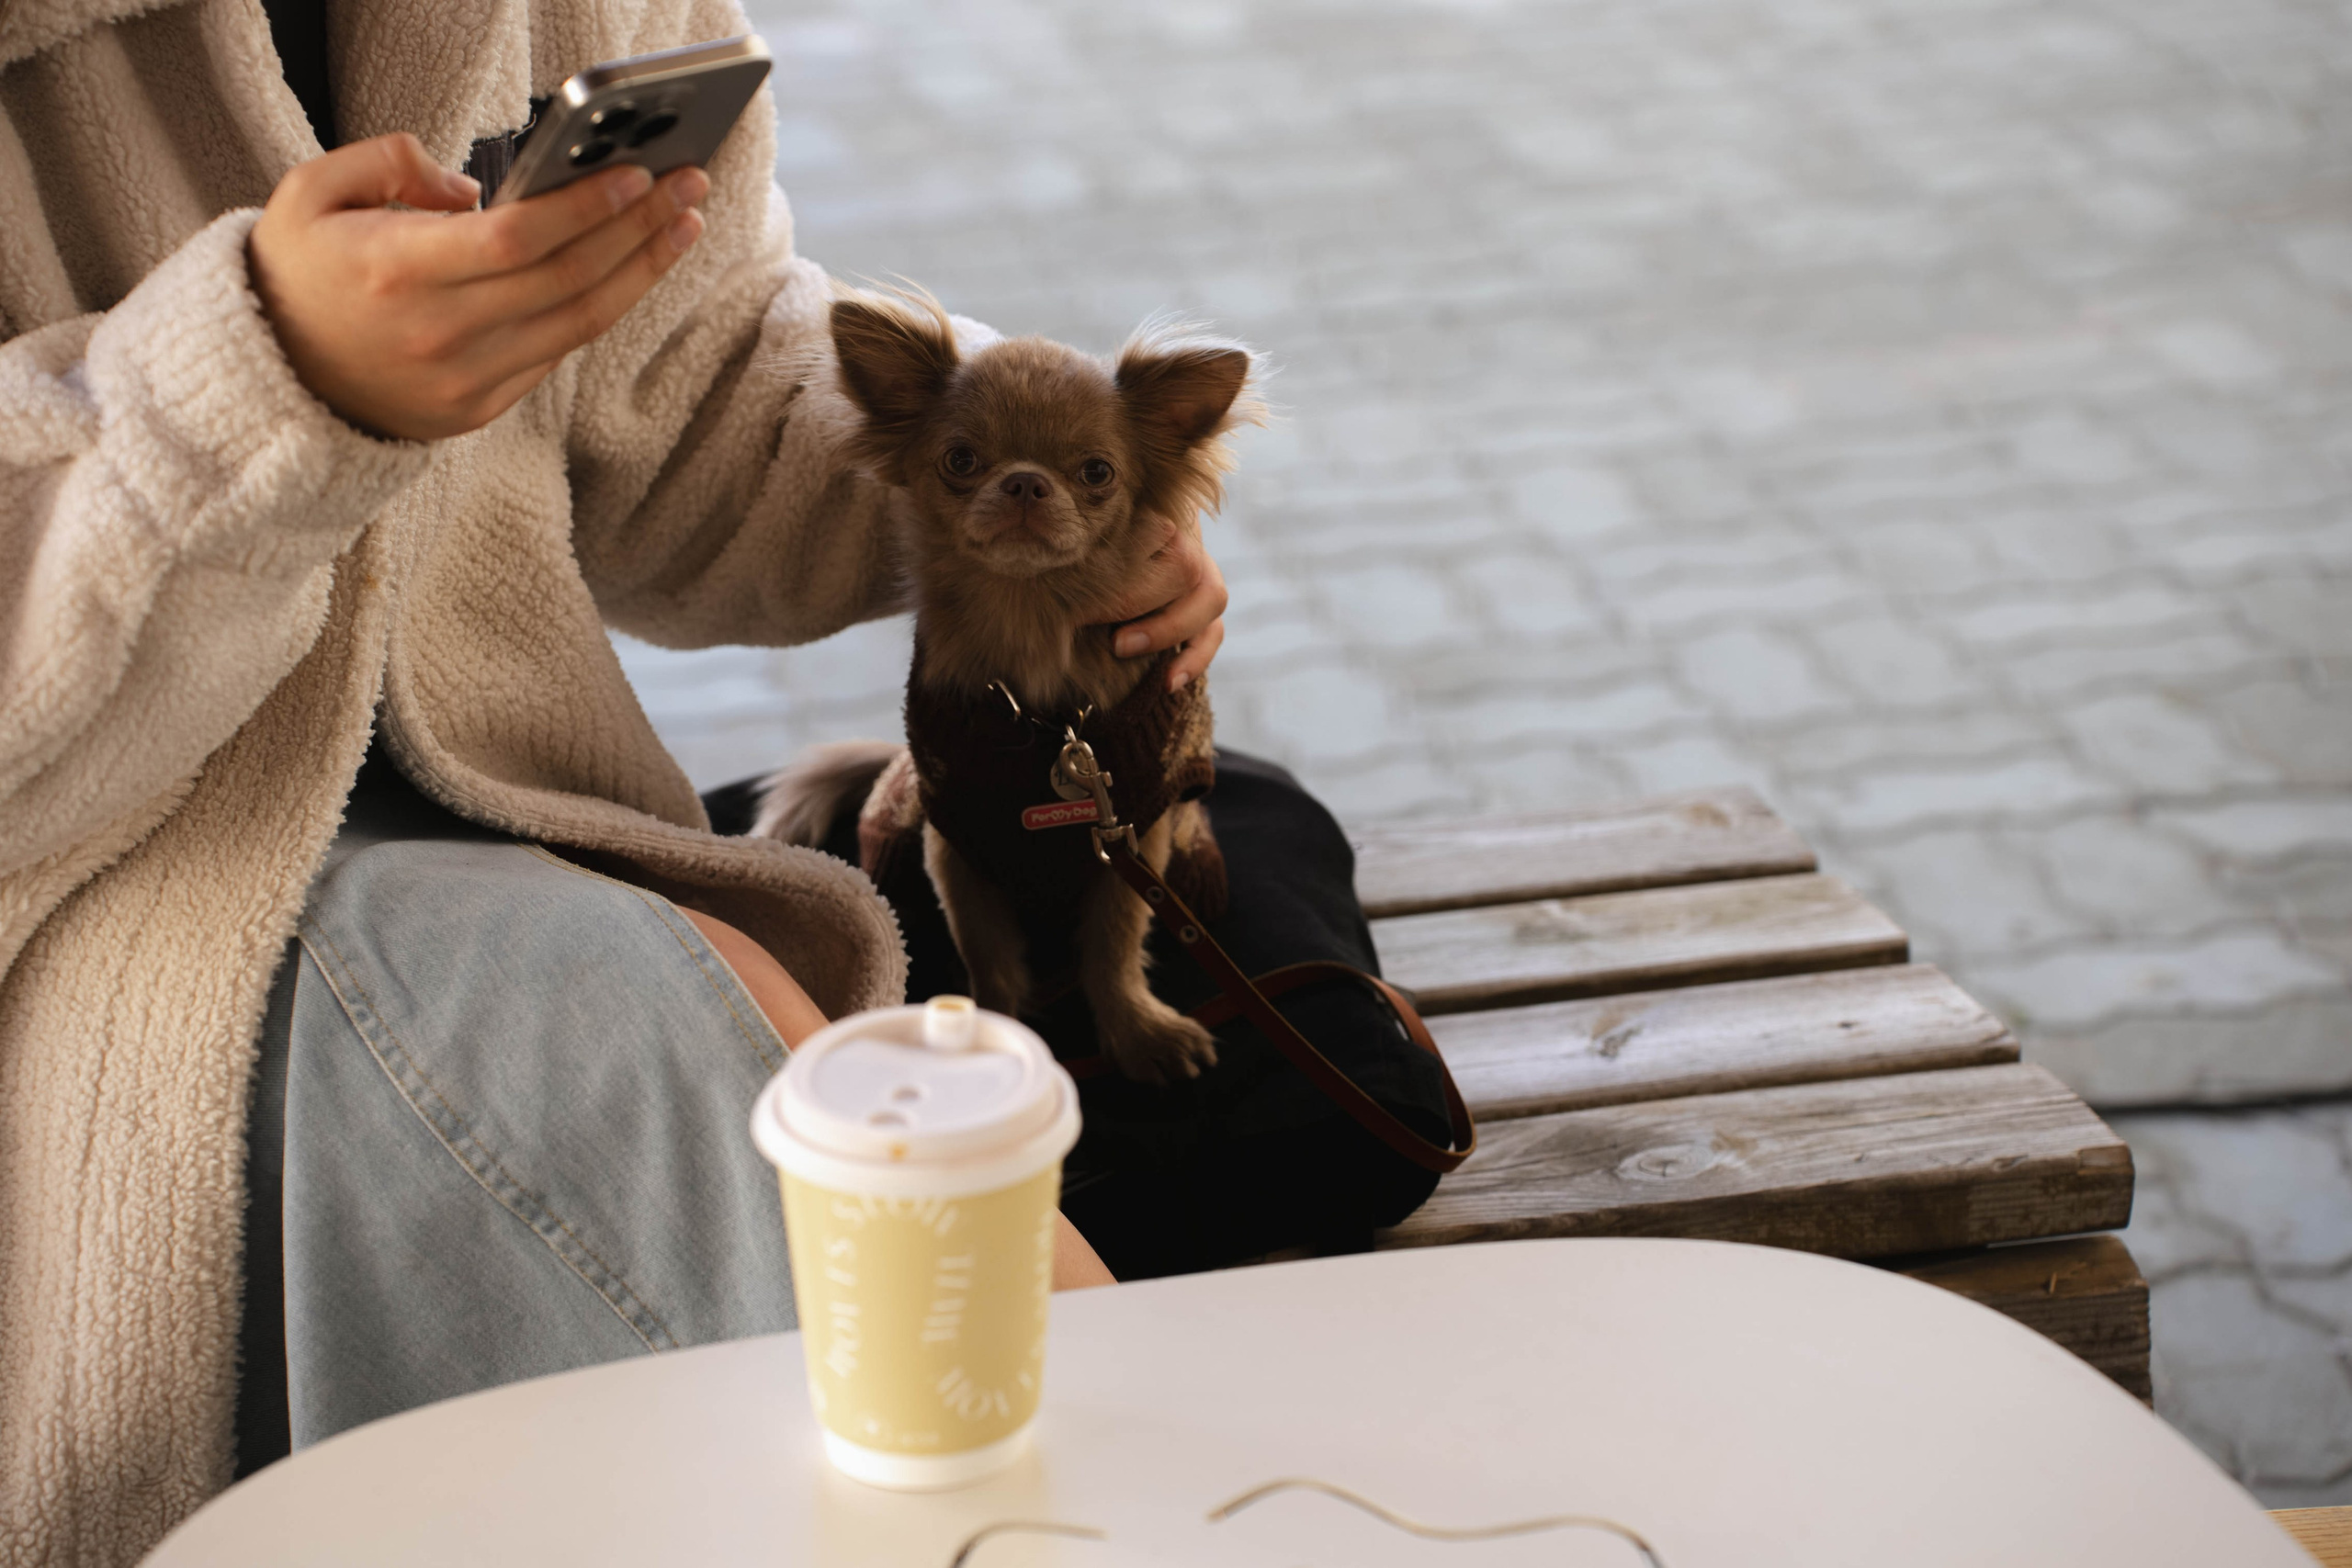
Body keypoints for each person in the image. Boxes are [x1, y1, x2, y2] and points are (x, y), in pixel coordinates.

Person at [0, 2, 1226, 1561]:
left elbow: (704, 389)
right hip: (90, 895)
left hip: (521, 801)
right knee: (645, 1022)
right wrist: (245, 398)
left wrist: (1019, 493)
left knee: (1181, 811)